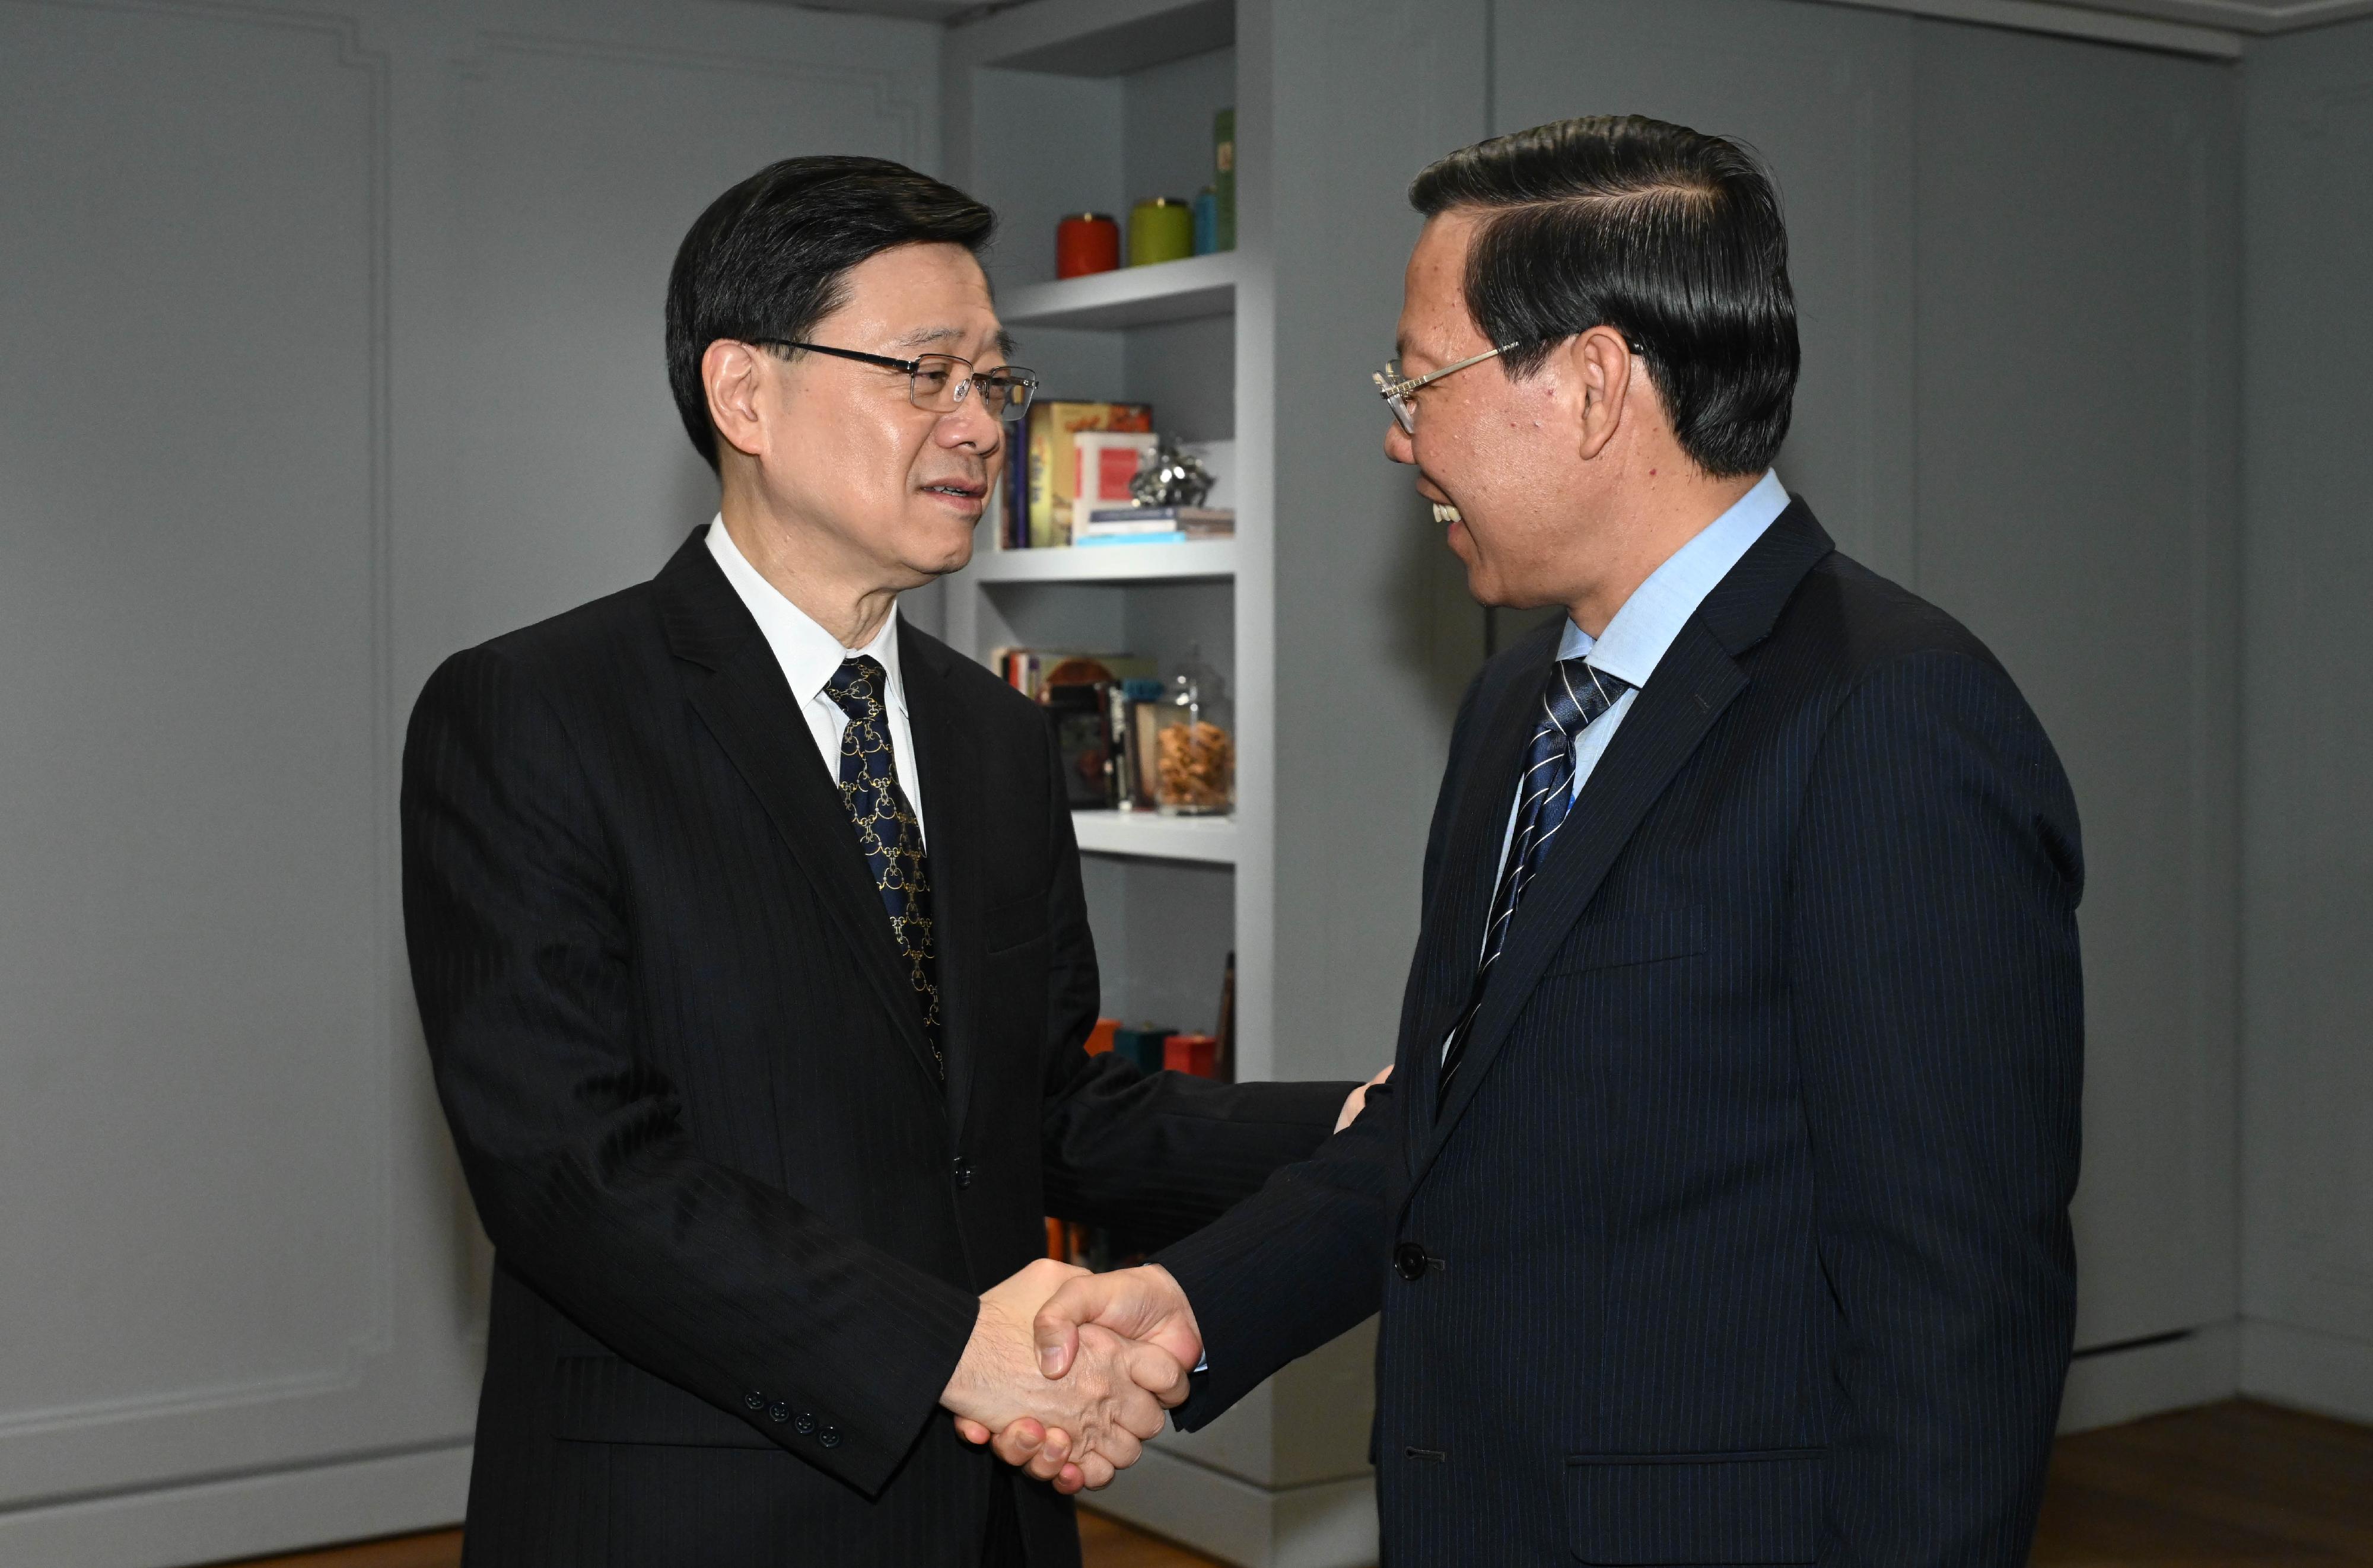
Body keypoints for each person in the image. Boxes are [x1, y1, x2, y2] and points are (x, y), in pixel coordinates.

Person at [997, 116, 2086, 1564]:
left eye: (1418, 379)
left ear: (1588, 383)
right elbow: (1448, 1128)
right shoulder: (1522, 695)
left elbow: (1957, 1302)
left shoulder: (1894, 716)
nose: (1397, 434)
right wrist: (1193, 1304)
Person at [400, 155, 1366, 1568]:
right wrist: (941, 1347)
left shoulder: (994, 736)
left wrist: (1352, 1119)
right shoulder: (536, 713)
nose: (977, 426)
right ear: (744, 393)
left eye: (994, 380)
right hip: (688, 1513)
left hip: (984, 1513)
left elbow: (1049, 1109)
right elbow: (571, 1170)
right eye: (926, 373)